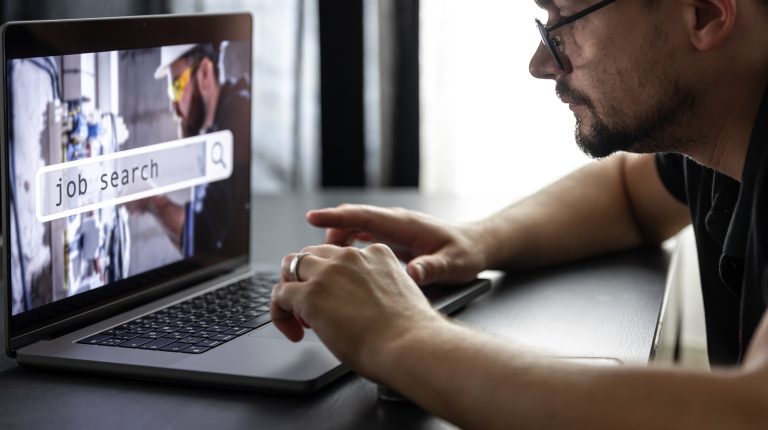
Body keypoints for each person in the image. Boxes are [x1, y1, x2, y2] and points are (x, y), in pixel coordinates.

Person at [270, 0, 768, 428]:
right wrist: (477, 240)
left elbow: (747, 414)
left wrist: (400, 336)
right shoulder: (723, 122)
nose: (541, 63)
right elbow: (630, 196)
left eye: (565, 19)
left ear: (702, 14)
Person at [138, 43, 251, 260]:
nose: (173, 105)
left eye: (177, 86)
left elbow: (204, 234)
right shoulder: (214, 132)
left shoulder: (238, 115)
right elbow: (194, 246)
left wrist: (152, 201)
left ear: (205, 73)